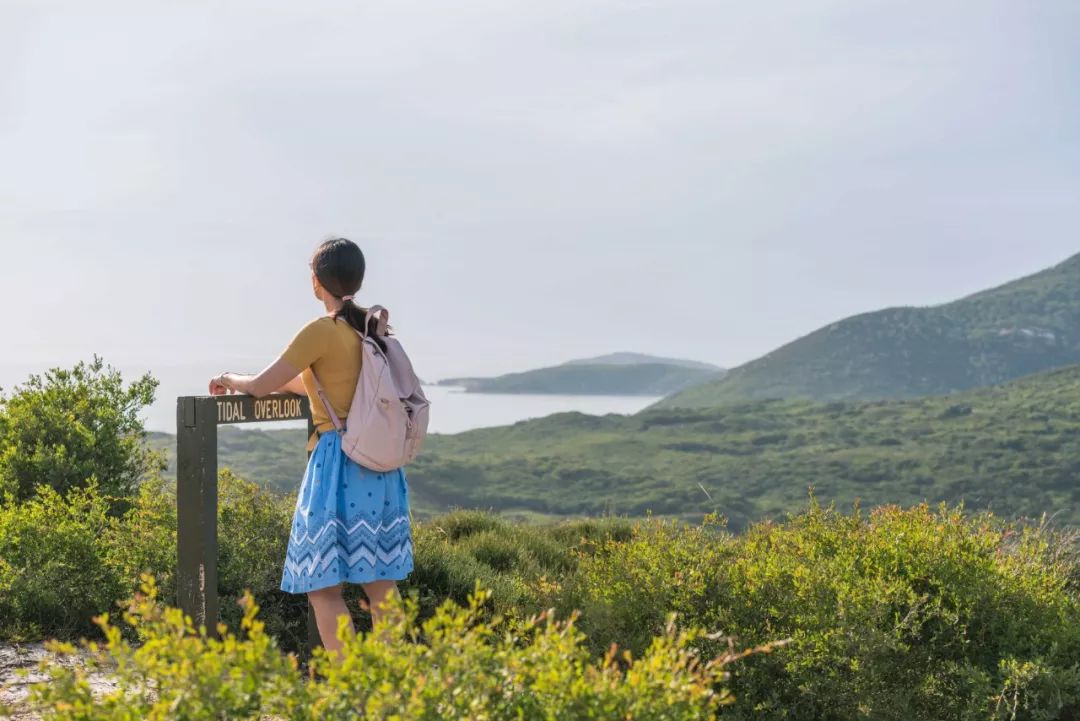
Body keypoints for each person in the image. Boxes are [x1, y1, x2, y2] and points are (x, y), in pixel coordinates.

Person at [208, 238, 413, 653]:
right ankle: (392, 689)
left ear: (316, 281)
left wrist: (230, 378)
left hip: (338, 463)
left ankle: (350, 691)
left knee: (322, 585)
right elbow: (309, 386)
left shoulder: (321, 331)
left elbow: (263, 384)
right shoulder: (371, 329)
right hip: (380, 464)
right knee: (380, 585)